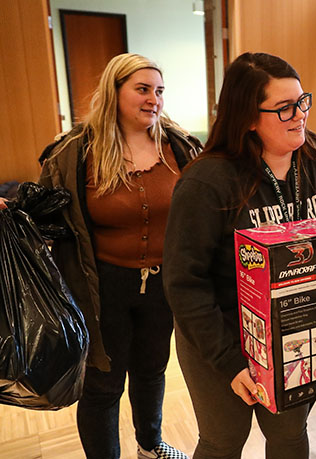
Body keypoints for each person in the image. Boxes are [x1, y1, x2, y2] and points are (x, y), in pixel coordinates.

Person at [162, 52, 316, 459]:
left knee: (288, 434)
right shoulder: (206, 182)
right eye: (284, 108)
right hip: (220, 334)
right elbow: (183, 285)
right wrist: (229, 363)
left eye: (302, 102)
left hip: (296, 330)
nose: (299, 115)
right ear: (247, 117)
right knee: (223, 440)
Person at [37, 53, 200, 459]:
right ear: (114, 91)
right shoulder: (73, 152)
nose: (153, 99)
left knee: (151, 372)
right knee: (104, 385)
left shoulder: (180, 146)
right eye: (142, 89)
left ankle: (150, 446)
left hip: (164, 285)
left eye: (159, 91)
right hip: (100, 288)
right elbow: (43, 213)